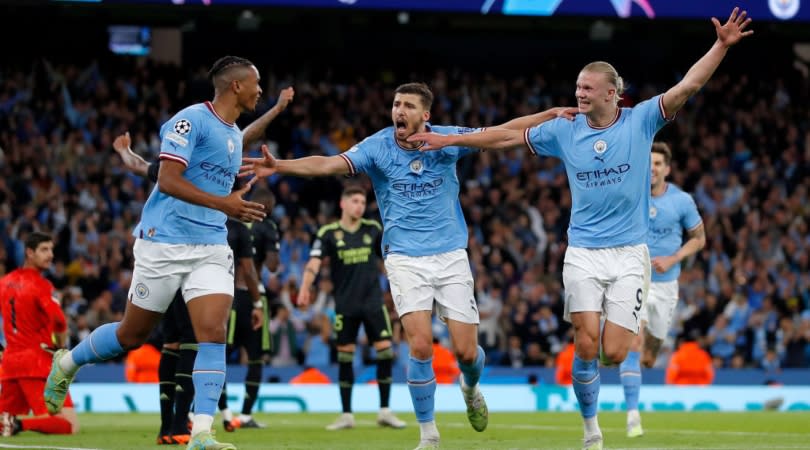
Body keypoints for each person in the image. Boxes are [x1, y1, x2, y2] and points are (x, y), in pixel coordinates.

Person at [409, 9, 752, 449]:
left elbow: (689, 85)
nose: (579, 94)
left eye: (587, 88)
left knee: (613, 351)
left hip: (630, 253)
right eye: (577, 87)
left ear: (613, 94)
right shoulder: (565, 129)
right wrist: (450, 140)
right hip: (584, 253)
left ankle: (603, 399)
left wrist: (721, 46)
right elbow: (505, 137)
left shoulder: (642, 120)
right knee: (585, 343)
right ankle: (592, 431)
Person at [242, 81, 574, 450]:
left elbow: (500, 133)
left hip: (450, 256)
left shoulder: (447, 139)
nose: (399, 111)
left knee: (466, 353)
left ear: (425, 115)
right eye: (396, 104)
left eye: (408, 106)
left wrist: (547, 115)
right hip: (403, 258)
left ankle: (471, 386)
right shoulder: (378, 146)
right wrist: (281, 166)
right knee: (420, 346)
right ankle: (428, 434)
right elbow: (329, 164)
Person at [44, 55, 271, 450]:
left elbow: (225, 154)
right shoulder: (189, 121)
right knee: (132, 335)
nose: (261, 90)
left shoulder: (234, 133)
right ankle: (67, 363)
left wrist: (280, 112)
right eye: (256, 83)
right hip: (163, 241)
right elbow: (166, 179)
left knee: (213, 333)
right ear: (236, 85)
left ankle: (201, 433)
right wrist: (225, 204)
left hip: (210, 245)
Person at [111, 83, 293, 444]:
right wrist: (125, 151)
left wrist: (275, 110)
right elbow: (145, 170)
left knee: (196, 340)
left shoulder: (220, 146)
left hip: (203, 249)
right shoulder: (181, 150)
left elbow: (240, 138)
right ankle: (173, 425)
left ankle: (188, 426)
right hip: (165, 246)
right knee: (159, 340)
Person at [297, 185, 406, 431]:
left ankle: (385, 410)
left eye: (362, 201)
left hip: (373, 303)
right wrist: (305, 287)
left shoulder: (373, 229)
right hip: (345, 306)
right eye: (355, 201)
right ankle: (346, 414)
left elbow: (389, 262)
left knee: (386, 352)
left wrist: (400, 290)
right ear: (343, 204)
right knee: (345, 356)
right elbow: (314, 262)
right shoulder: (328, 233)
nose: (359, 205)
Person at [620, 142, 705, 438]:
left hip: (667, 285)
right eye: (649, 162)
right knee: (634, 342)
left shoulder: (681, 201)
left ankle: (640, 366)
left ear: (667, 169)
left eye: (658, 163)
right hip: (635, 280)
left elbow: (699, 238)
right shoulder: (631, 195)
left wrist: (673, 258)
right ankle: (633, 416)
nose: (652, 168)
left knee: (649, 356)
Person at [0, 232, 79, 437]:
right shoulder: (41, 286)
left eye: (51, 249)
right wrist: (62, 350)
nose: (50, 255)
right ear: (29, 252)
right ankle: (19, 425)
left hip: (10, 363)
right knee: (68, 424)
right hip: (36, 362)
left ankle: (12, 423)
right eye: (44, 250)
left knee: (2, 421)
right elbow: (60, 322)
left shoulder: (4, 282)